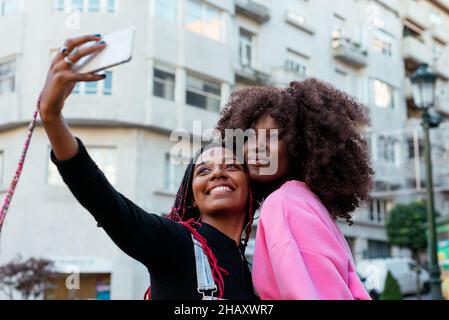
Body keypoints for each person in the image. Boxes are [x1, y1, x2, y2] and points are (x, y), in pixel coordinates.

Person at [38, 34, 258, 300]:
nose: (217, 173)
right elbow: (108, 205)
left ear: (250, 188)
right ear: (192, 196)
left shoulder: (253, 274)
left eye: (231, 166)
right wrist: (51, 117)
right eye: (203, 170)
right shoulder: (175, 244)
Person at [217, 79, 374, 300]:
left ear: (300, 146)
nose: (257, 147)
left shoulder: (283, 203)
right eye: (250, 136)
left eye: (273, 137)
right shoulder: (306, 202)